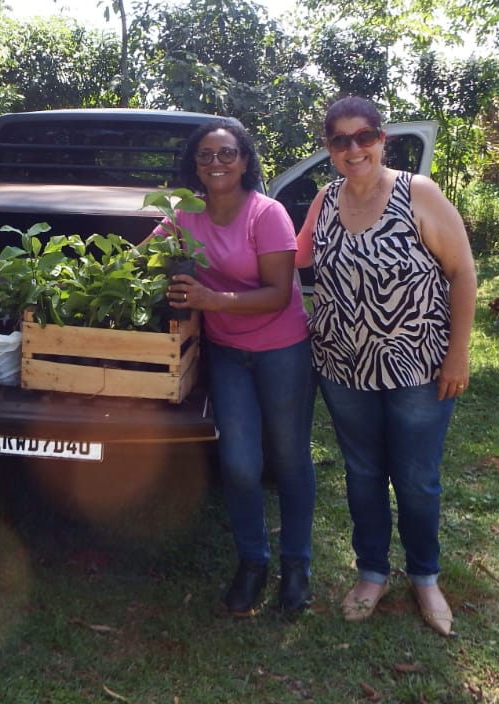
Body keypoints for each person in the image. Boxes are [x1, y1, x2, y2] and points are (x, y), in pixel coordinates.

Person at [296, 96, 476, 636]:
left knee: (416, 479)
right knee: (363, 474)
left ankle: (425, 577)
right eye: (340, 140)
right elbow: (290, 259)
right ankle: (371, 572)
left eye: (364, 137)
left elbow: (462, 273)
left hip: (417, 366)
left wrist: (458, 353)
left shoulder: (418, 193)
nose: (354, 149)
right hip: (342, 367)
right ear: (329, 148)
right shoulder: (324, 201)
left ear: (382, 139)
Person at [159, 117, 315, 615]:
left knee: (289, 459)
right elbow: (143, 257)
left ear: (245, 161)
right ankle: (252, 562)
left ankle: (296, 565)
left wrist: (209, 299)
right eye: (205, 155)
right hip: (227, 353)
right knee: (240, 464)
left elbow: (277, 295)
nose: (216, 162)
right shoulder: (185, 214)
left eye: (227, 153)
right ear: (195, 165)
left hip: (282, 349)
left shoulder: (266, 214)